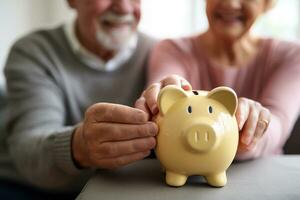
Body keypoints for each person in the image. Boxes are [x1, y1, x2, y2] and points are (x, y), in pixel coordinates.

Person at [1, 0, 157, 198]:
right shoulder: (34, 51)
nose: (124, 8)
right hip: (28, 188)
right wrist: (79, 147)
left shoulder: (158, 52)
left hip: (114, 189)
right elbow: (29, 154)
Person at [136, 0, 300, 160]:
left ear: (266, 3)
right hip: (184, 174)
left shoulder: (290, 55)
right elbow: (162, 100)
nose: (231, 4)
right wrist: (158, 98)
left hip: (263, 175)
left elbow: (277, 126)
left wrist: (251, 133)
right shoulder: (172, 49)